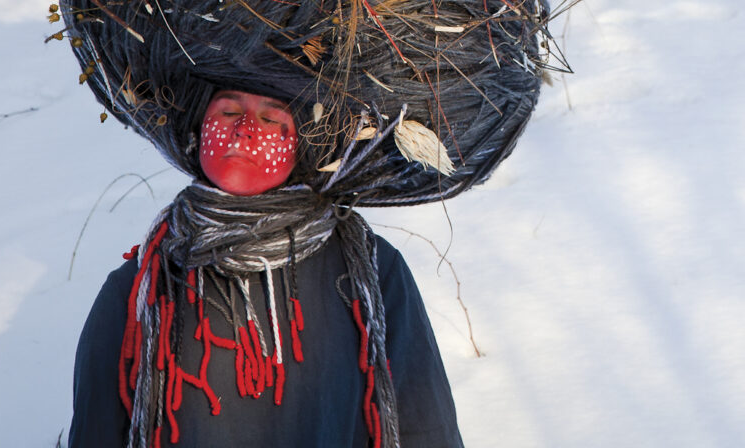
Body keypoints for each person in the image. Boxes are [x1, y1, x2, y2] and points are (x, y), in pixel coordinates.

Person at [68, 90, 465, 448]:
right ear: (197, 128)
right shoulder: (142, 286)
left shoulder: (369, 271)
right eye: (228, 111)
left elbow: (425, 426)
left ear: (304, 145)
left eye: (272, 119)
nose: (243, 131)